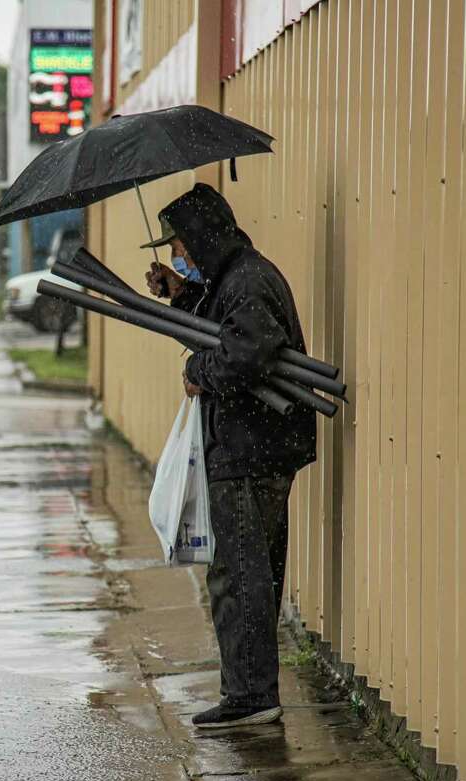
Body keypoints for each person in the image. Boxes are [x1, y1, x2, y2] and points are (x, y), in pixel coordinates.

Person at [142, 183, 317, 728]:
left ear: (201, 236)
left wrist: (198, 373)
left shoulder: (247, 279)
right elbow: (224, 329)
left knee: (238, 576)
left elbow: (244, 353)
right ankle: (252, 688)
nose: (179, 256)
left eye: (181, 247)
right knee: (249, 575)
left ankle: (250, 696)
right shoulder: (235, 278)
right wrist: (182, 294)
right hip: (251, 447)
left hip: (250, 450)